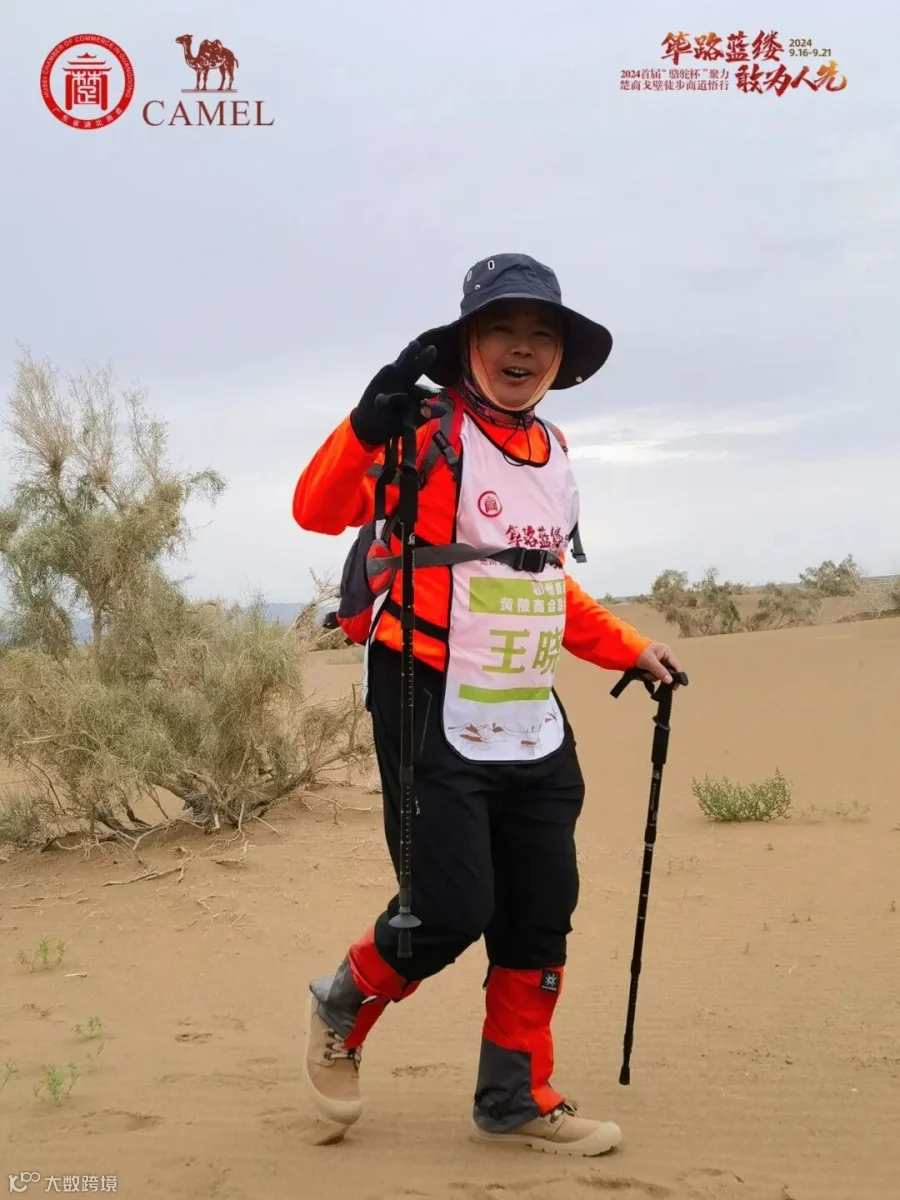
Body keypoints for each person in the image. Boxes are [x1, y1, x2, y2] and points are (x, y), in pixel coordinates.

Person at [291, 253, 683, 1157]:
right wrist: (365, 423)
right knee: (449, 906)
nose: (523, 348)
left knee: (541, 904)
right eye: (502, 328)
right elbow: (317, 509)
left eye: (542, 334)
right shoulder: (422, 430)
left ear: (560, 357)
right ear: (467, 342)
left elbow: (542, 584)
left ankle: (514, 1097)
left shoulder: (556, 453)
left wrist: (631, 648)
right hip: (425, 692)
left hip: (527, 706)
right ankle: (342, 1004)